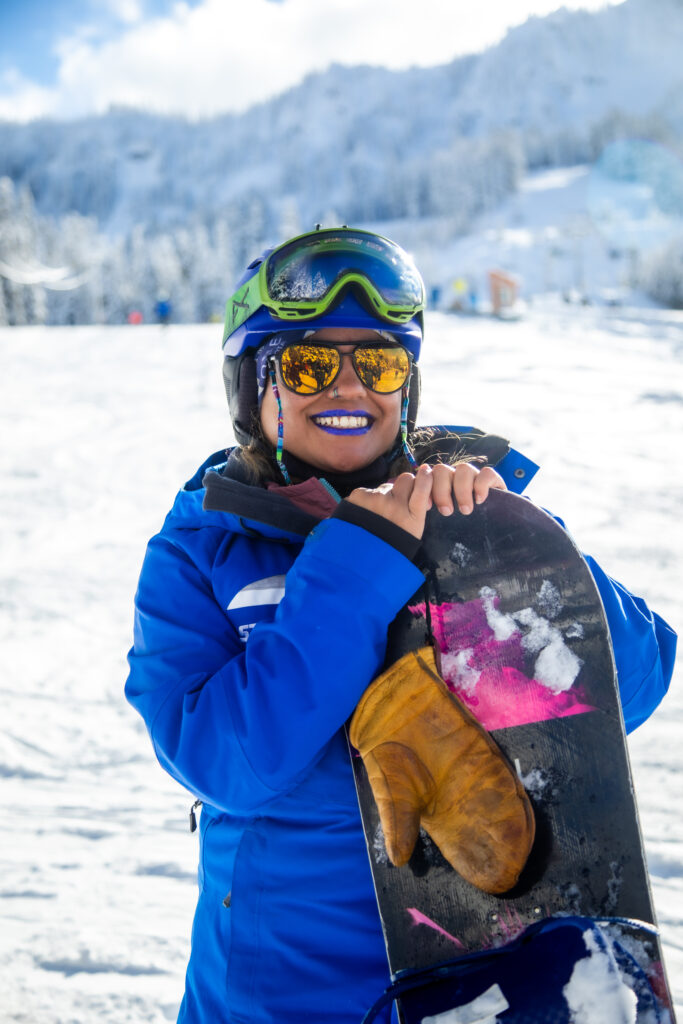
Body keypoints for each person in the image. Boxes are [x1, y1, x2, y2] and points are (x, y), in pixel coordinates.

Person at [125, 227, 676, 1024]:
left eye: (378, 362)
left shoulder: (472, 513)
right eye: (308, 363)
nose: (347, 388)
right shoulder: (203, 550)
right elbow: (228, 762)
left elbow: (637, 686)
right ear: (253, 387)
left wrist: (514, 546)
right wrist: (353, 564)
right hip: (283, 994)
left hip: (493, 983)